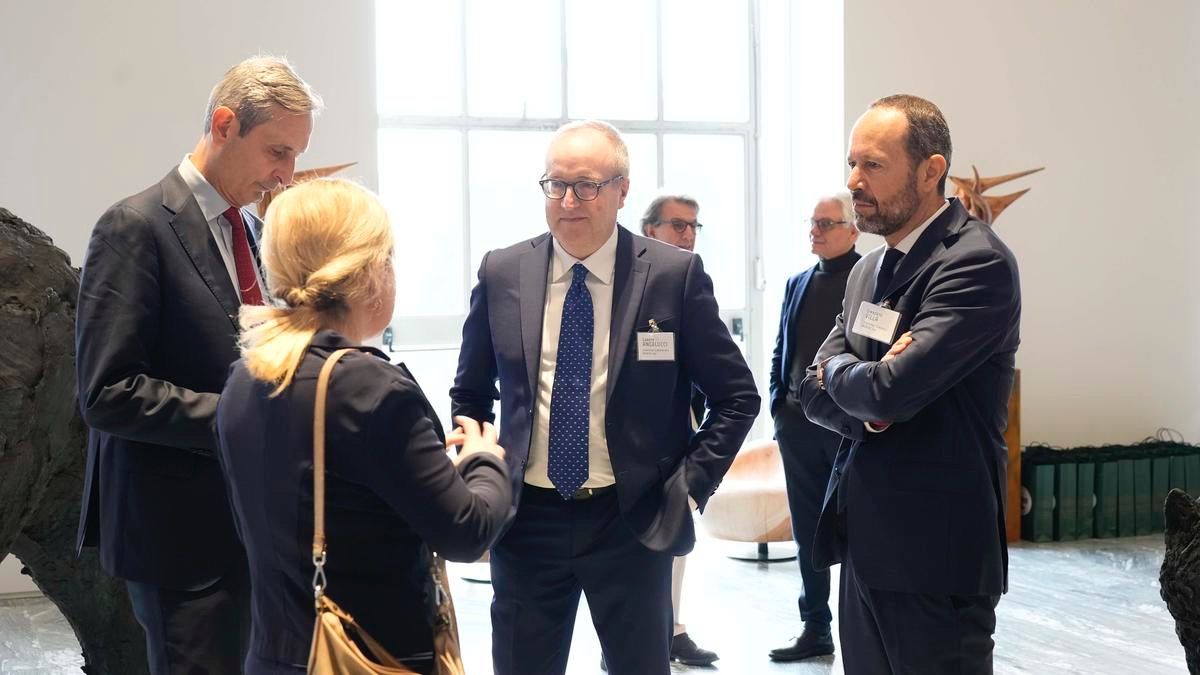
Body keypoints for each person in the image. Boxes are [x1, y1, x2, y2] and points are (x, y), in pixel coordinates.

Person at [451, 120, 760, 675]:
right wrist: (481, 480)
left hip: (631, 521)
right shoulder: (503, 271)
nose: (569, 201)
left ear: (622, 190)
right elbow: (470, 393)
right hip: (527, 522)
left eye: (587, 186)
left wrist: (688, 490)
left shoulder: (672, 275)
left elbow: (736, 397)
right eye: (556, 185)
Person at [75, 55, 321, 674]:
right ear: (224, 124)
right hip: (179, 542)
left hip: (251, 531)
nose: (287, 175)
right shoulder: (134, 226)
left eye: (295, 156)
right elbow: (108, 392)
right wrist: (246, 418)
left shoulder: (252, 231)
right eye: (278, 152)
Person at [215, 178, 513, 674]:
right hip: (372, 658)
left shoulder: (245, 377)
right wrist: (483, 460)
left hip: (275, 654)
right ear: (370, 272)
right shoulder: (371, 389)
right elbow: (466, 532)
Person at [799, 94, 1021, 674]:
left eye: (872, 165)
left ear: (930, 170)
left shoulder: (975, 263)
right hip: (865, 546)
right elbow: (811, 389)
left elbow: (887, 391)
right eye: (852, 163)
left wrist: (853, 380)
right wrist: (865, 392)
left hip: (936, 557)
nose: (854, 181)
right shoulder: (867, 270)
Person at [768, 191, 860, 662]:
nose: (815, 231)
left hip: (848, 428)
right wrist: (777, 404)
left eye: (826, 224)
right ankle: (816, 627)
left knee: (859, 530)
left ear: (853, 230)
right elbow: (782, 348)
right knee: (806, 530)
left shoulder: (870, 278)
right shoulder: (797, 282)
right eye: (813, 222)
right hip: (798, 426)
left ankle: (861, 632)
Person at [633, 192, 719, 667]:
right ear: (650, 230)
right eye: (678, 225)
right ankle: (630, 635)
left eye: (693, 226)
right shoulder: (628, 279)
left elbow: (714, 368)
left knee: (675, 538)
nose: (688, 235)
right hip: (628, 435)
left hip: (678, 428)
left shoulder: (692, 279)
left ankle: (671, 627)